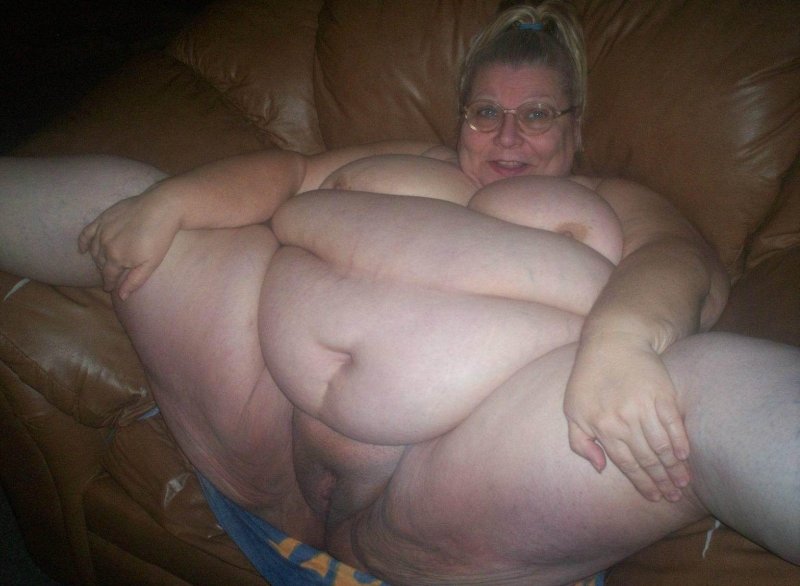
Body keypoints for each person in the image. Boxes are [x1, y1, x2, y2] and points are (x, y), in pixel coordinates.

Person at [1, 3, 797, 586]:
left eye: (536, 115)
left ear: (576, 127)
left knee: (714, 386)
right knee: (135, 203)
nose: (507, 136)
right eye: (485, 113)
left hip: (444, 508)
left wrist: (622, 338)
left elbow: (681, 264)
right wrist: (172, 205)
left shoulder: (614, 200)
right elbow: (286, 175)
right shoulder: (400, 158)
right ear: (460, 119)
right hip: (257, 450)